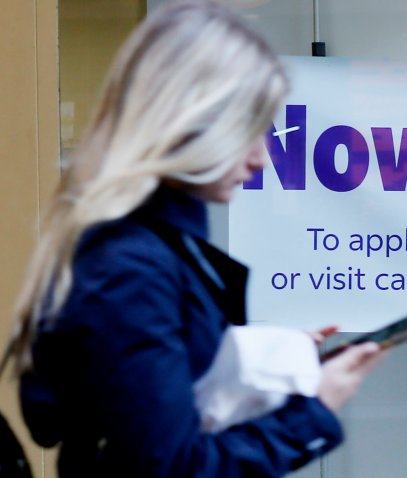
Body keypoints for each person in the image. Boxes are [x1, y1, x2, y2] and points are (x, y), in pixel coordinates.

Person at [2, 1, 384, 476]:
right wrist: (316, 410)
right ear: (192, 122)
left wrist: (248, 358)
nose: (262, 159)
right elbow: (174, 465)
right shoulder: (133, 267)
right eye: (250, 132)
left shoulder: (143, 249)